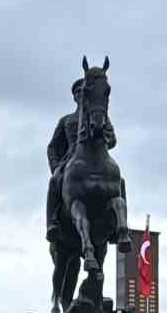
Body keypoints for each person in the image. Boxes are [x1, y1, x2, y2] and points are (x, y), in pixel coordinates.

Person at [47, 77, 116, 239]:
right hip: (70, 161)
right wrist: (55, 166)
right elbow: (52, 147)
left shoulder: (100, 116)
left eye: (82, 92)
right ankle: (52, 223)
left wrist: (105, 138)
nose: (80, 96)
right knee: (53, 182)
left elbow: (113, 140)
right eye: (77, 93)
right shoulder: (66, 120)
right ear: (75, 97)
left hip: (98, 160)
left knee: (120, 182)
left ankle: (118, 226)